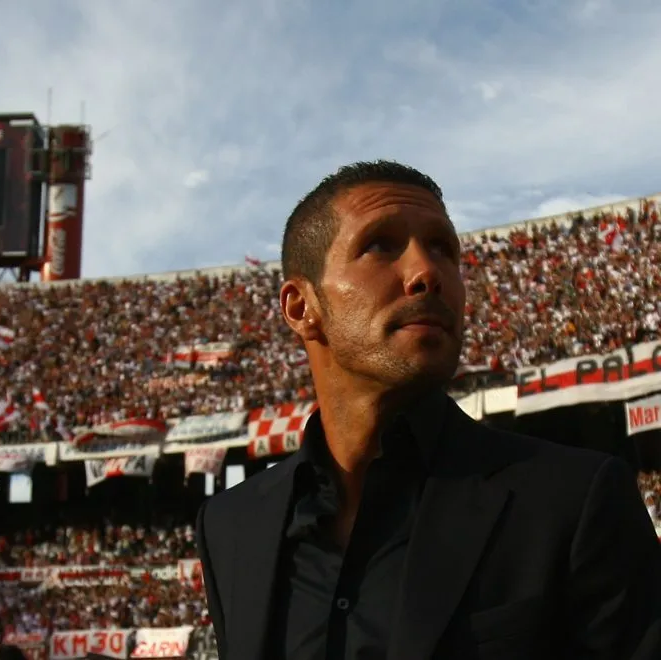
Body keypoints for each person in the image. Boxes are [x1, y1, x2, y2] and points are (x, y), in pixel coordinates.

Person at [194, 160, 661, 659]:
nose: (427, 273)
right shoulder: (231, 527)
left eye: (443, 249)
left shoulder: (574, 501)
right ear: (300, 307)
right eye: (380, 245)